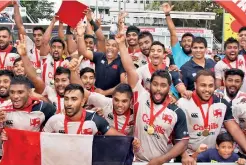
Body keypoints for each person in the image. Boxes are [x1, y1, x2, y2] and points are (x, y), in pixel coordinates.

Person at [116, 24, 189, 163]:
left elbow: (182, 142)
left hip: (164, 163)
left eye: (163, 86)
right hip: (137, 161)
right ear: (149, 84)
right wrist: (121, 45)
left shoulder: (177, 110)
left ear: (169, 87)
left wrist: (161, 160)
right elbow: (130, 70)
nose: (158, 89)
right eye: (155, 84)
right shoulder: (141, 97)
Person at [176, 70, 246, 165]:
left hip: (214, 156)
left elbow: (234, 129)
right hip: (190, 157)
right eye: (203, 85)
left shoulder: (222, 102)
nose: (207, 89)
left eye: (210, 85)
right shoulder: (183, 103)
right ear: (195, 85)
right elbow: (175, 134)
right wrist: (184, 155)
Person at [0, 75, 56, 158]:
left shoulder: (43, 108)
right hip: (5, 156)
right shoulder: (2, 110)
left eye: (20, 92)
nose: (15, 96)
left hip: (31, 156)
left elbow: (56, 129)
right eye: (12, 92)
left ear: (29, 92)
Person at [43, 84, 125, 136]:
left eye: (74, 99)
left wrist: (133, 142)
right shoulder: (54, 120)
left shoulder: (95, 119)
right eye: (66, 99)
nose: (69, 103)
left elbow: (120, 138)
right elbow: (40, 143)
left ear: (82, 102)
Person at [77, 22, 126, 96]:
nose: (110, 47)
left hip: (112, 99)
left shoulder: (122, 61)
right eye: (108, 45)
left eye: (114, 46)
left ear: (118, 49)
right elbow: (83, 52)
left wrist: (105, 93)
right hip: (96, 96)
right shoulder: (99, 56)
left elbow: (123, 83)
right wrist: (80, 36)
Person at [163, 3, 193, 68]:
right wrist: (167, 14)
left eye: (189, 41)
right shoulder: (178, 52)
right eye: (184, 41)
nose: (186, 43)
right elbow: (173, 33)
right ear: (181, 43)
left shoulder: (199, 58)